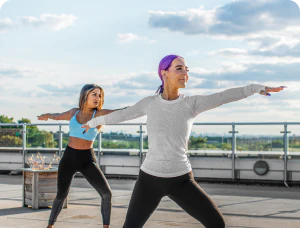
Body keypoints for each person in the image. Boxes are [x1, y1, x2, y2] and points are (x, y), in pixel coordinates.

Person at [82, 55, 286, 228]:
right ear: (164, 73)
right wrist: (93, 123)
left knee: (217, 224)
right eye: (179, 68)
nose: (185, 73)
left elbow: (223, 96)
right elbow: (122, 115)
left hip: (181, 180)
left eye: (187, 69)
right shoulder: (149, 103)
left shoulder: (191, 103)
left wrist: (255, 88)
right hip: (149, 180)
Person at [38, 84, 126, 228]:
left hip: (87, 160)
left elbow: (122, 112)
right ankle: (50, 226)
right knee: (61, 195)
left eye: (99, 95)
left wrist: (142, 107)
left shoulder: (98, 115)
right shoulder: (74, 112)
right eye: (94, 94)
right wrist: (48, 116)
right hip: (69, 158)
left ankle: (106, 226)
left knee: (106, 194)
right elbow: (57, 116)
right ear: (85, 95)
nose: (97, 98)